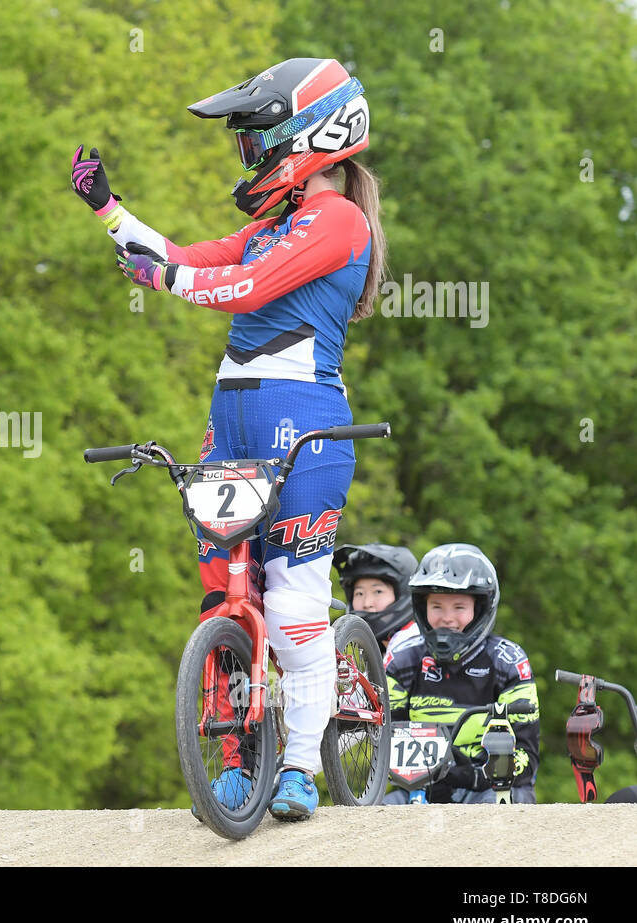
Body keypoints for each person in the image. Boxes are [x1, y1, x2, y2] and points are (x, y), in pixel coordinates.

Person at [72, 58, 384, 821]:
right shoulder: (275, 224)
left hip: (305, 427)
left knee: (296, 608)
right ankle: (235, 756)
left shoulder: (338, 220)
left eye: (254, 145)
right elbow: (184, 255)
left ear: (307, 139)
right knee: (225, 591)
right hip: (233, 426)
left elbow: (240, 288)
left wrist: (160, 281)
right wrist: (108, 208)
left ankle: (303, 764)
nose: (246, 160)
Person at [383, 544, 539, 804]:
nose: (447, 618)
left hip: (489, 788)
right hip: (419, 790)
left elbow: (527, 756)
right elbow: (384, 741)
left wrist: (475, 775)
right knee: (379, 814)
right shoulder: (403, 660)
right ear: (422, 608)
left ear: (480, 608)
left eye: (458, 607)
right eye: (436, 607)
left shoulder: (508, 662)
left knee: (493, 810)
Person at [332, 543, 418, 651]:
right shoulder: (368, 654)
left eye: (378, 591)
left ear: (403, 593)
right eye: (359, 593)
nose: (367, 603)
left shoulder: (416, 650)